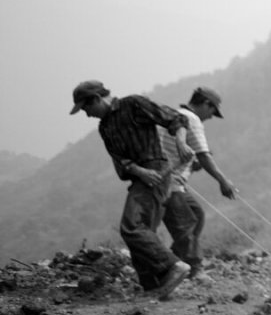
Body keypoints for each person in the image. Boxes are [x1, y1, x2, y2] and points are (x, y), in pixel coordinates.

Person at [70, 80, 192, 300]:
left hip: (157, 169)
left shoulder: (134, 104)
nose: (87, 114)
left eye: (86, 108)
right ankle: (154, 286)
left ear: (96, 99)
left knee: (132, 226)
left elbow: (177, 119)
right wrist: (139, 172)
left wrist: (181, 142)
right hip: (140, 176)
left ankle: (172, 266)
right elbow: (121, 160)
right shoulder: (105, 127)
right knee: (143, 232)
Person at [161, 86, 238, 281]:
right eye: (212, 111)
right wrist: (223, 181)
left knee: (196, 214)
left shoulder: (175, 115)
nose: (211, 117)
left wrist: (190, 163)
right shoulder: (191, 119)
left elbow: (180, 150)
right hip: (170, 182)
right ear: (205, 104)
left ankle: (176, 263)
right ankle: (194, 269)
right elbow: (204, 155)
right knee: (186, 224)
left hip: (171, 179)